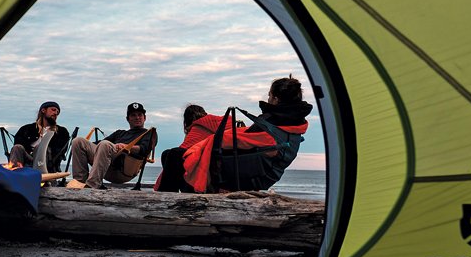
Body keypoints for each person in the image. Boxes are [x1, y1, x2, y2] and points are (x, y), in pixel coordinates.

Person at [183, 77, 312, 193]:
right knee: (177, 156)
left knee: (176, 157)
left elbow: (236, 142)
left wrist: (213, 140)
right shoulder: (290, 128)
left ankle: (179, 207)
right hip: (263, 175)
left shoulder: (270, 126)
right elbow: (250, 140)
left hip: (241, 177)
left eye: (269, 96)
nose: (268, 99)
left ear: (275, 99)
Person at [67, 102, 154, 189]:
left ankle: (92, 185)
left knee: (105, 144)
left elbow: (144, 149)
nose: (137, 117)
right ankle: (80, 182)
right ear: (128, 119)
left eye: (140, 115)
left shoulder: (148, 133)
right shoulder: (120, 133)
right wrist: (86, 146)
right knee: (78, 141)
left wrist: (126, 146)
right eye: (133, 115)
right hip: (106, 166)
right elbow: (98, 144)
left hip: (123, 171)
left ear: (144, 118)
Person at [155, 104, 222, 192]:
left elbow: (184, 150)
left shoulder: (198, 127)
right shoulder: (216, 125)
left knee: (173, 154)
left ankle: (166, 193)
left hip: (206, 176)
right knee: (167, 153)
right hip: (211, 169)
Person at [7, 101, 70, 171]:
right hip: (28, 159)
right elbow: (18, 146)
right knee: (17, 148)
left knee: (42, 147)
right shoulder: (27, 129)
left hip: (47, 162)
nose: (55, 113)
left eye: (57, 112)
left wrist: (40, 148)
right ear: (43, 110)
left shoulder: (62, 132)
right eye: (53, 110)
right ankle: (15, 175)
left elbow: (59, 152)